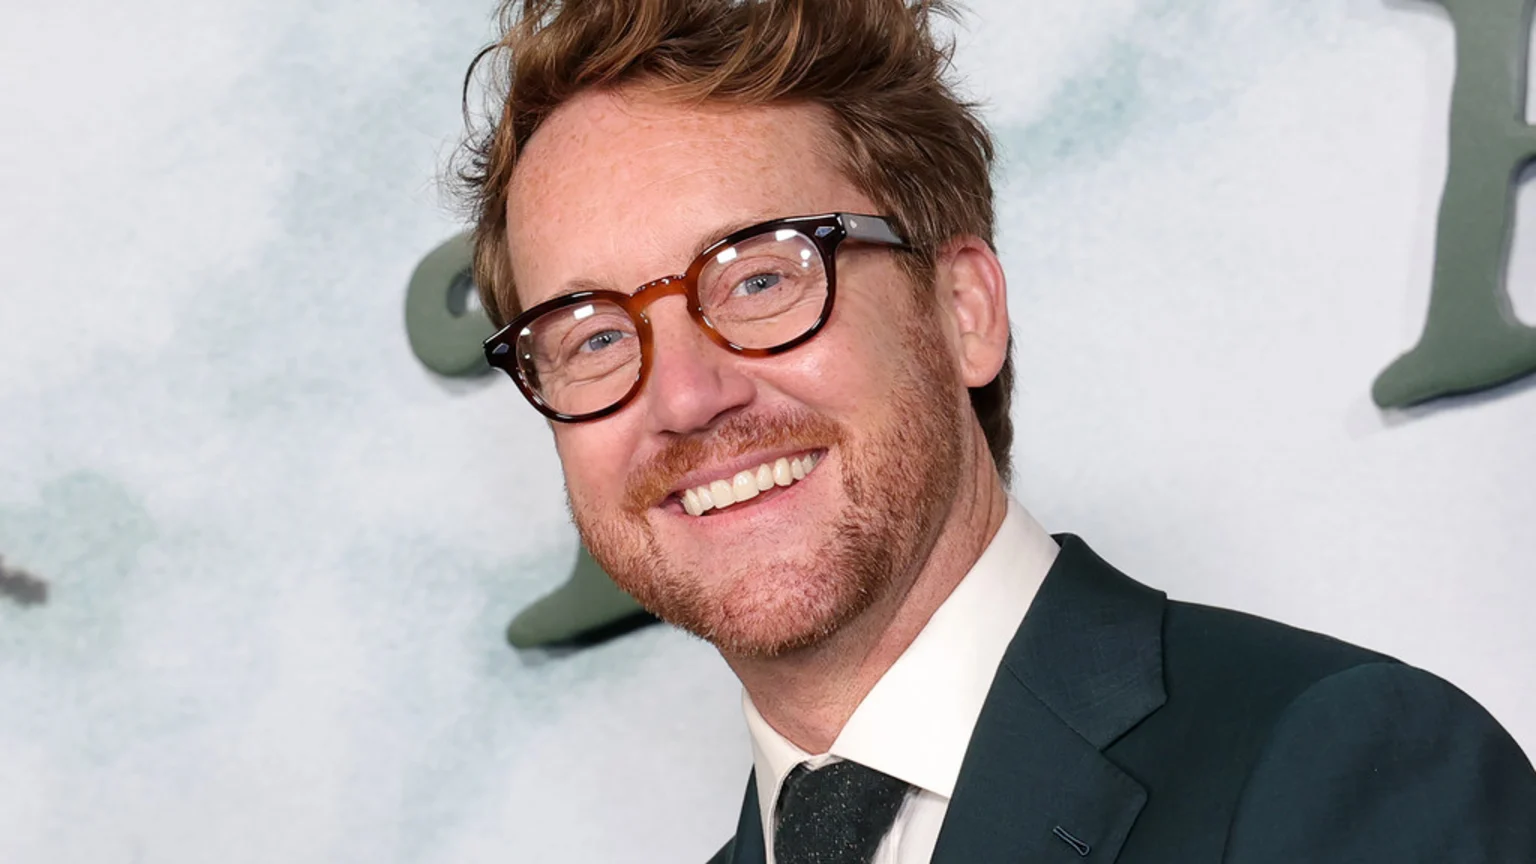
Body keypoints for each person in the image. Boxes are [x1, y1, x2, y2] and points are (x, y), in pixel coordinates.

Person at [455, 1, 1536, 861]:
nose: (686, 397)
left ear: (963, 310)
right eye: (590, 336)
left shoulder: (1336, 769)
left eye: (762, 276)